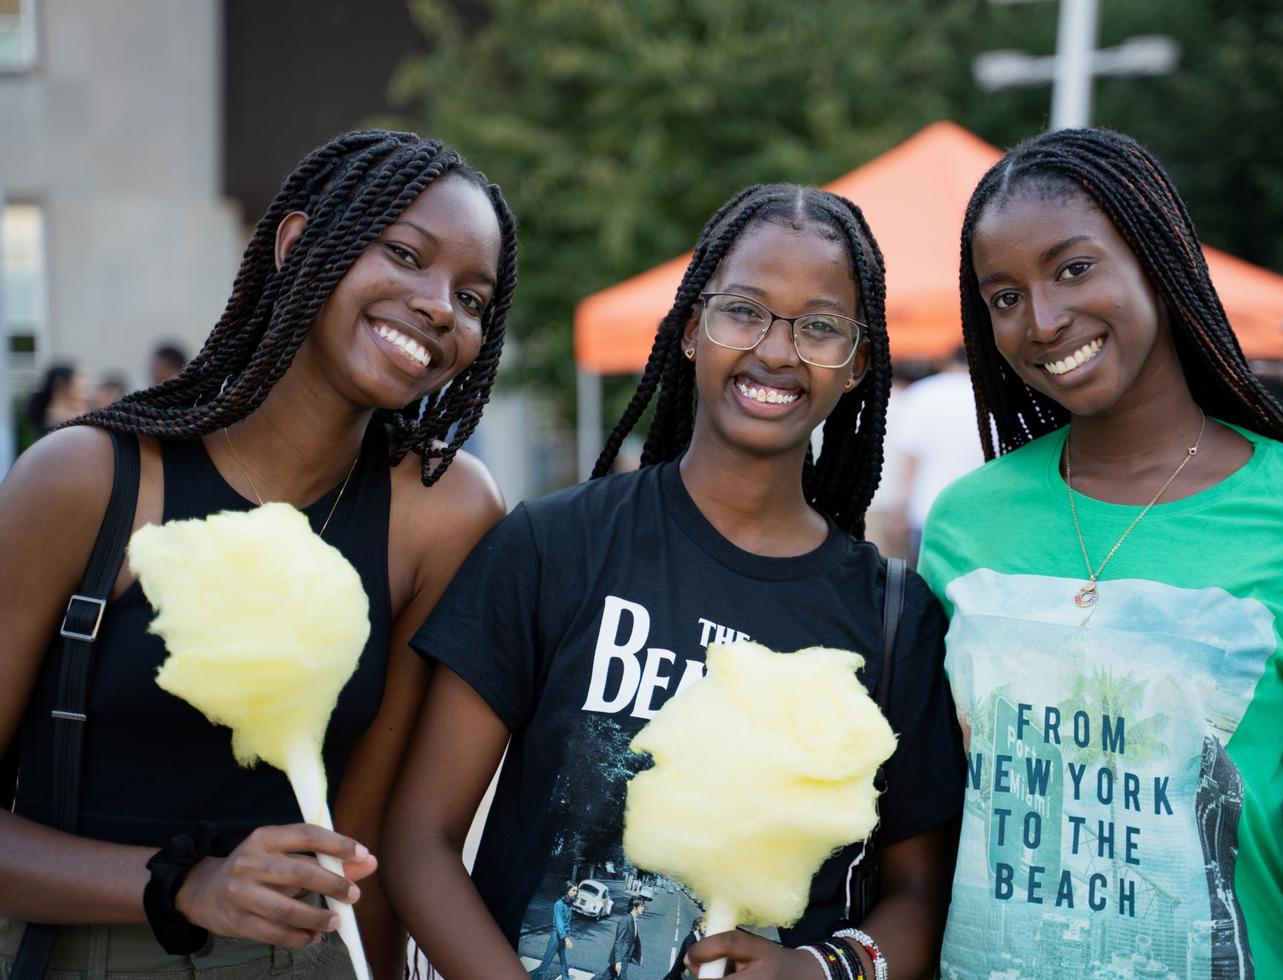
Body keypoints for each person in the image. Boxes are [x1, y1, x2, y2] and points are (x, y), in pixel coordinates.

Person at [921, 128, 1283, 978]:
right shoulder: (966, 524)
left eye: (1073, 268)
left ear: (1157, 257)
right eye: (1003, 297)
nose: (1043, 319)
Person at [382, 183, 964, 980]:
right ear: (692, 328)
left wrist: (822, 971)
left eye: (820, 327)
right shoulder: (555, 545)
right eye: (744, 311)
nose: (776, 351)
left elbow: (920, 892)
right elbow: (419, 839)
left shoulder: (892, 616)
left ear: (858, 364)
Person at [0, 130, 517, 978]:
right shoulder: (88, 482)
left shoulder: (443, 512)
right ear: (297, 244)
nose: (438, 306)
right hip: (79, 952)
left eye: (472, 297)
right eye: (405, 254)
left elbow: (367, 848)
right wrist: (184, 884)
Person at [892, 346, 984, 560]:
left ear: (946, 362)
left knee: (925, 584)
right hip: (978, 510)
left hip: (926, 509)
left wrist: (901, 508)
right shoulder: (990, 393)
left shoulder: (922, 392)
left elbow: (910, 458)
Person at [25, 363, 89, 437]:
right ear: (60, 384)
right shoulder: (59, 423)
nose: (84, 382)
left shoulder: (77, 417)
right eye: (79, 376)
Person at [534, 884, 578, 980]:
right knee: (545, 964)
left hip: (562, 938)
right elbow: (559, 923)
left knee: (565, 963)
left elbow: (566, 923)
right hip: (556, 938)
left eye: (576, 891)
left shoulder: (568, 905)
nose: (576, 893)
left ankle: (566, 978)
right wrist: (566, 938)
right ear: (567, 890)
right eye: (574, 890)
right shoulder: (559, 904)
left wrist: (566, 936)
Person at [594, 897, 644, 980]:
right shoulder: (625, 920)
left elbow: (635, 941)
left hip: (625, 956)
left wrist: (639, 955)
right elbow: (618, 941)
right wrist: (618, 961)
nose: (643, 908)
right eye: (641, 906)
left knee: (608, 976)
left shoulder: (634, 920)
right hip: (621, 958)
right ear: (635, 907)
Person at [663, 915, 704, 980]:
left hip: (682, 971)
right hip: (681, 970)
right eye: (704, 926)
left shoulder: (696, 938)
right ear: (697, 927)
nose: (706, 929)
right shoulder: (691, 938)